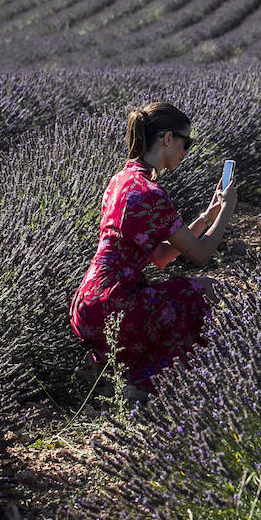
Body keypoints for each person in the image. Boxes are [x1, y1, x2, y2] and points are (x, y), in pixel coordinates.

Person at [70, 101, 237, 394]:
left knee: (168, 296)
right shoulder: (150, 193)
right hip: (114, 306)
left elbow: (159, 255)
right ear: (168, 138)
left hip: (86, 306)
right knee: (205, 290)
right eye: (187, 142)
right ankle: (151, 383)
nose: (187, 151)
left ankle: (109, 371)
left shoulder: (121, 181)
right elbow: (199, 255)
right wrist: (227, 210)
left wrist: (206, 217)